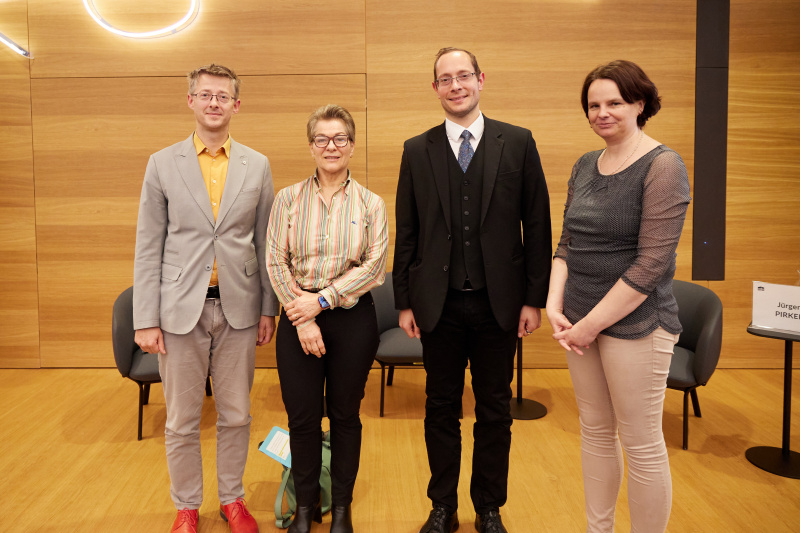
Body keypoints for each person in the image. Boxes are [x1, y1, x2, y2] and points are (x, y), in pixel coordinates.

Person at [393, 48, 552, 533]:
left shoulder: (518, 143)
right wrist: (403, 301)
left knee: (494, 410)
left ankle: (489, 507)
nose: (456, 84)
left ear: (481, 79)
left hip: (498, 305)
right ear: (435, 88)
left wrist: (534, 298)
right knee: (439, 408)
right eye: (446, 78)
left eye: (464, 75)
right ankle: (442, 506)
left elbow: (538, 224)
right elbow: (408, 231)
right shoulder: (416, 149)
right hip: (437, 306)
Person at [545, 60, 691, 533]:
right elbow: (566, 243)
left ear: (640, 104)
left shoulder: (664, 165)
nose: (602, 113)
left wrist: (589, 325)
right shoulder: (586, 164)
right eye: (594, 105)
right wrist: (554, 305)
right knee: (594, 433)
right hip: (577, 321)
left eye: (614, 103)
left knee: (642, 442)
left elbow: (650, 264)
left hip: (637, 324)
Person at [133, 64, 279, 533]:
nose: (214, 103)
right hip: (178, 311)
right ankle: (186, 506)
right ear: (191, 101)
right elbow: (148, 246)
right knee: (181, 418)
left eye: (223, 96)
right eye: (205, 95)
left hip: (239, 307)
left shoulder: (257, 164)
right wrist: (145, 318)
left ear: (237, 105)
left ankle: (233, 500)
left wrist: (267, 308)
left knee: (236, 413)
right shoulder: (161, 162)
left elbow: (266, 243)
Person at [266, 104, 388, 533]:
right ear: (311, 146)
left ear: (352, 145)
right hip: (297, 316)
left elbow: (373, 267)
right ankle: (304, 509)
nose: (331, 146)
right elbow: (275, 261)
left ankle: (341, 510)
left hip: (351, 320)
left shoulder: (372, 203)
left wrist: (321, 304)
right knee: (301, 418)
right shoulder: (287, 198)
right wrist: (302, 316)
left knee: (344, 416)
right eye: (322, 139)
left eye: (339, 139)